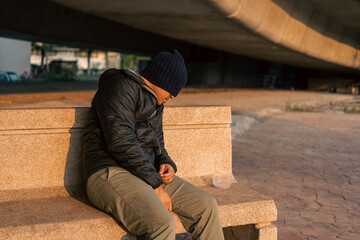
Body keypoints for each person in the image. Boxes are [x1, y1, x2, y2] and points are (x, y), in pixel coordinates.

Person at [82, 50, 224, 240]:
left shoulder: (156, 104)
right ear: (162, 79)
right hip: (107, 171)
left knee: (207, 206)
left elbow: (158, 143)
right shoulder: (119, 85)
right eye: (172, 89)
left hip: (144, 174)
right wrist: (156, 187)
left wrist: (166, 163)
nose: (173, 96)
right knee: (162, 224)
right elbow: (120, 141)